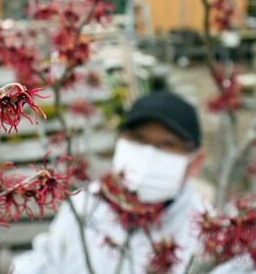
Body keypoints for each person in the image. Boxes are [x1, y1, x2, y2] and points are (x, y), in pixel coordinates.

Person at [11, 91, 208, 274]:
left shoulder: (205, 231)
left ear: (195, 162)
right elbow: (48, 259)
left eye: (166, 144)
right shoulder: (86, 203)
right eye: (139, 139)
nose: (148, 154)